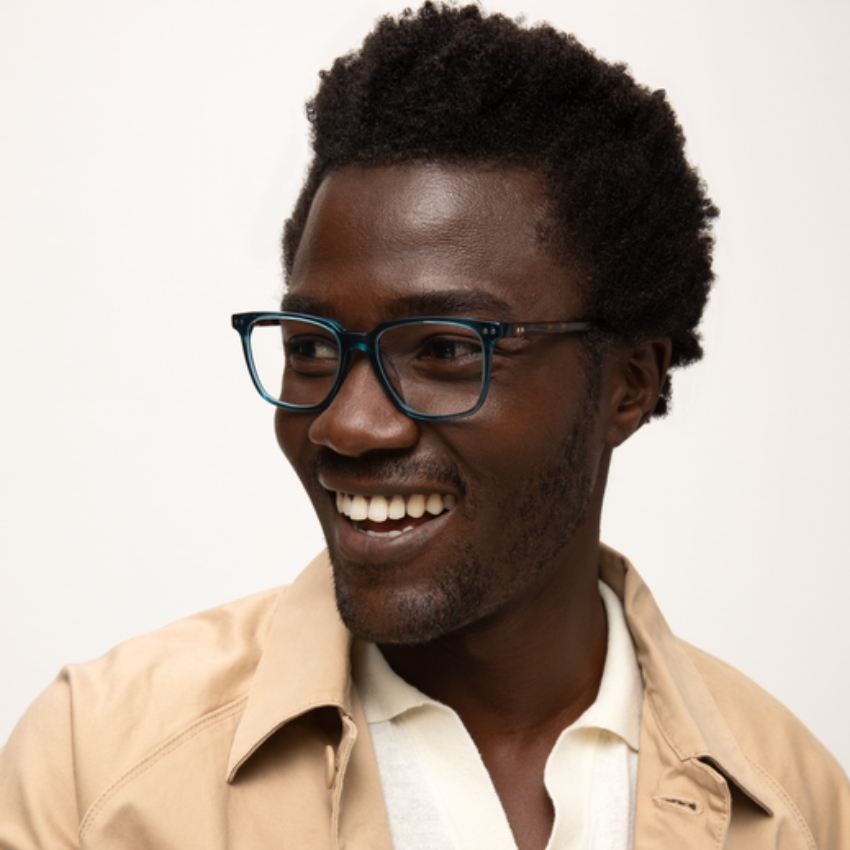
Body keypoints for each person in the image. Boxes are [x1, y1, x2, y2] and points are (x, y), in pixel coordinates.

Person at [1, 3, 847, 848]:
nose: (347, 424)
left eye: (445, 348)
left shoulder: (796, 811)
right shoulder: (99, 768)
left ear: (629, 382)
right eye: (312, 347)